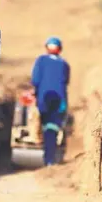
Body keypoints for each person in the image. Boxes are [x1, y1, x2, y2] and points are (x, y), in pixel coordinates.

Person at [31, 37, 70, 166]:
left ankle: (46, 156)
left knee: (43, 125)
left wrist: (35, 92)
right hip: (60, 101)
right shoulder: (64, 64)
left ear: (47, 47)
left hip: (44, 98)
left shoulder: (41, 61)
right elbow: (66, 82)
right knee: (52, 128)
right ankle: (50, 159)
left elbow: (35, 80)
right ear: (60, 49)